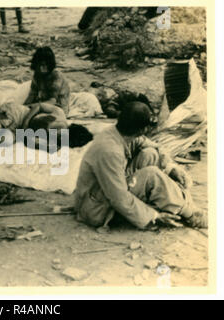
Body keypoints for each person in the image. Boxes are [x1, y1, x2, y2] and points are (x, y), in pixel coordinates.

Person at [74, 101, 208, 230]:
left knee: (150, 154)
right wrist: (153, 216)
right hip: (95, 209)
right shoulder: (110, 151)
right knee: (152, 175)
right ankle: (189, 213)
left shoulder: (120, 133)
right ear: (142, 129)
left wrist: (170, 168)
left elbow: (155, 147)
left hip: (104, 191)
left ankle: (173, 202)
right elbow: (118, 197)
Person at [24, 46, 71, 116]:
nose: (41, 68)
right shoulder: (37, 75)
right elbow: (32, 95)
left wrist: (32, 106)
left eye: (44, 65)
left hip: (58, 107)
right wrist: (24, 106)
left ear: (49, 64)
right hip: (43, 103)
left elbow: (52, 101)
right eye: (39, 65)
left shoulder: (56, 76)